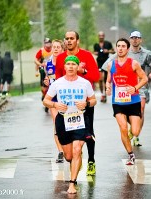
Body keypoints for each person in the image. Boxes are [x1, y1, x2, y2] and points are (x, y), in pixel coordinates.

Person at [43, 55, 97, 194]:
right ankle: (75, 162)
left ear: (78, 67)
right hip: (63, 120)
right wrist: (55, 104)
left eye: (74, 64)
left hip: (80, 119)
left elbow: (93, 100)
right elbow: (46, 100)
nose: (71, 66)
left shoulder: (84, 83)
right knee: (68, 156)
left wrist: (86, 103)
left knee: (77, 150)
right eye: (69, 64)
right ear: (65, 67)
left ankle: (72, 183)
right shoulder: (58, 83)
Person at [102, 30, 151, 146]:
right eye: (133, 38)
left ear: (140, 39)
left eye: (137, 38)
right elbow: (107, 67)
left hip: (139, 86)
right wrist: (107, 85)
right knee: (127, 115)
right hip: (122, 89)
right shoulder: (121, 51)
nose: (135, 40)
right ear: (130, 39)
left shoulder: (146, 53)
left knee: (141, 109)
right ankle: (133, 128)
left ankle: (136, 135)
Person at [55, 31, 100, 176]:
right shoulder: (61, 57)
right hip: (67, 106)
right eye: (67, 39)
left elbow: (96, 76)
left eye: (72, 38)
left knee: (87, 134)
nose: (69, 41)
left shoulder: (86, 55)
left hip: (84, 104)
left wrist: (83, 70)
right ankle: (75, 160)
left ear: (77, 41)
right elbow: (58, 79)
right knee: (70, 140)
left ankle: (91, 161)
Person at [105, 37, 148, 165]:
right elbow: (108, 80)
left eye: (123, 46)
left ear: (128, 49)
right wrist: (107, 87)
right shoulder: (111, 64)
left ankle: (132, 128)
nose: (120, 48)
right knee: (122, 128)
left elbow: (144, 78)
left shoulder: (134, 63)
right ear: (116, 48)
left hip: (133, 101)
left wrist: (135, 88)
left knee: (135, 131)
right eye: (118, 46)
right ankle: (131, 154)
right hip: (118, 102)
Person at [43, 39, 65, 163]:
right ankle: (60, 151)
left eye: (58, 47)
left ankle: (69, 147)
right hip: (53, 97)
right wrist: (46, 81)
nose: (56, 49)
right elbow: (48, 77)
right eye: (54, 47)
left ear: (62, 49)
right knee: (57, 124)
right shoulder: (48, 62)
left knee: (67, 124)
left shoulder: (66, 62)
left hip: (65, 97)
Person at [93, 31, 114, 103]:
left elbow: (113, 51)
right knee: (100, 79)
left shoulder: (108, 43)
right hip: (99, 62)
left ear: (104, 36)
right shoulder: (96, 45)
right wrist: (96, 52)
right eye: (100, 35)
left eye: (102, 35)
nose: (101, 37)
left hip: (106, 62)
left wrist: (107, 51)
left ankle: (104, 95)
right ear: (98, 36)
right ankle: (102, 93)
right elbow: (94, 52)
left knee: (106, 80)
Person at [34, 38, 52, 111]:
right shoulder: (41, 51)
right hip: (43, 70)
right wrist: (40, 64)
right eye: (46, 43)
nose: (48, 44)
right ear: (44, 44)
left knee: (51, 85)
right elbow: (35, 60)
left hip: (52, 70)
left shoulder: (54, 49)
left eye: (49, 43)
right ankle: (44, 96)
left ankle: (48, 100)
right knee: (43, 88)